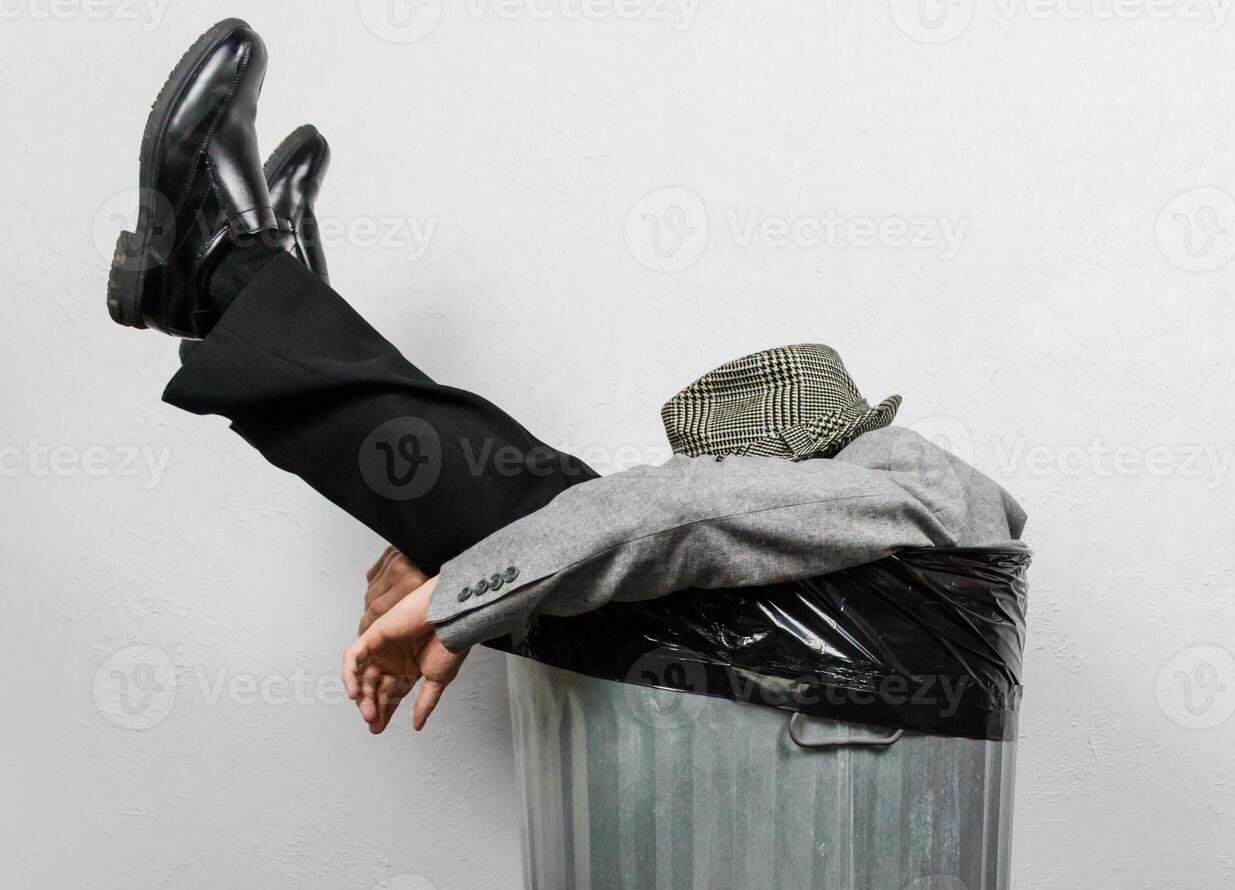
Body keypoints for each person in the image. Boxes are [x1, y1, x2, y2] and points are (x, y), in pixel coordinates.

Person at [106, 19, 1026, 734]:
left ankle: (235, 276)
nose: (699, 480)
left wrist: (461, 592)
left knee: (546, 503)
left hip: (821, 733)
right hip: (806, 710)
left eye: (727, 469)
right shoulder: (893, 520)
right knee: (553, 512)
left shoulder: (910, 485)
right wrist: (465, 573)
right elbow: (661, 526)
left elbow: (680, 518)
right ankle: (258, 294)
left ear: (793, 461)